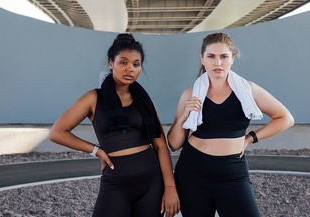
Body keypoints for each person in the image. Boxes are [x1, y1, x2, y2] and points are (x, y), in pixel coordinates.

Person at [49, 33, 180, 217]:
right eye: (123, 62)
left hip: (151, 181)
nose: (130, 69)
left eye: (136, 64)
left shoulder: (143, 100)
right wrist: (97, 151)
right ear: (111, 63)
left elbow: (160, 145)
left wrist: (170, 187)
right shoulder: (94, 98)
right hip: (116, 183)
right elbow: (57, 132)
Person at [167, 32, 294, 217]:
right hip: (193, 173)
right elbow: (174, 144)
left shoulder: (248, 90)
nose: (218, 63)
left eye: (224, 57)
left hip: (232, 173)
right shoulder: (191, 93)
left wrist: (251, 138)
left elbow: (285, 118)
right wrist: (185, 116)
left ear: (232, 59)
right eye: (211, 56)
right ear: (202, 59)